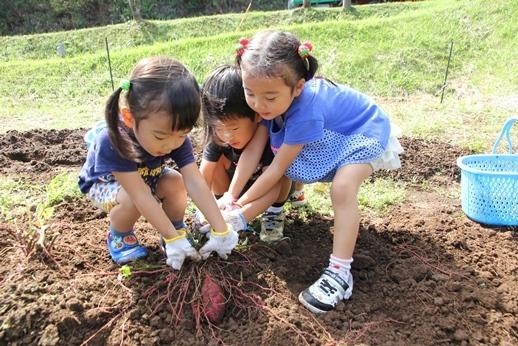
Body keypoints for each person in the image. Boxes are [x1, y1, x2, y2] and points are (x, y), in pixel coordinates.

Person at [234, 32, 403, 313]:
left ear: (298, 87)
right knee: (280, 153)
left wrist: (240, 210)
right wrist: (231, 196)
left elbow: (278, 169)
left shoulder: (305, 112)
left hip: (364, 131)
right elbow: (254, 150)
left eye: (269, 97)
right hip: (334, 131)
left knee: (342, 189)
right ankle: (289, 203)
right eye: (249, 93)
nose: (258, 104)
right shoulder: (271, 103)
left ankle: (340, 273)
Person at [78, 57, 238, 270]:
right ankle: (121, 236)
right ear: (129, 117)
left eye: (182, 135)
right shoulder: (113, 140)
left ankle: (176, 227)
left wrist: (222, 229)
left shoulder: (174, 135)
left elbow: (195, 181)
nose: (172, 144)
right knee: (132, 199)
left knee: (176, 182)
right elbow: (139, 194)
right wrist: (172, 240)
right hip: (106, 185)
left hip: (146, 176)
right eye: (160, 137)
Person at [198, 65, 291, 242]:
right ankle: (223, 209)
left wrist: (240, 211)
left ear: (257, 116)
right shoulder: (218, 139)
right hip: (233, 191)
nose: (227, 135)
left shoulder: (272, 141)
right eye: (218, 128)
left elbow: (275, 179)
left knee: (279, 178)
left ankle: (266, 215)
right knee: (215, 163)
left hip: (266, 187)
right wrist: (208, 208)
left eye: (234, 128)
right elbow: (203, 177)